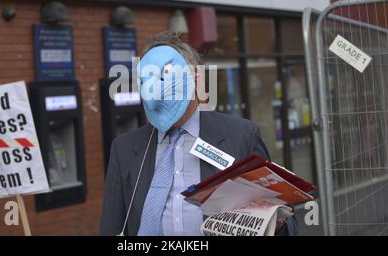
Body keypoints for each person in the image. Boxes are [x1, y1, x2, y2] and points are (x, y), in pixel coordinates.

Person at [99, 32, 298, 236]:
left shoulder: (241, 136)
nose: (152, 93)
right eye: (144, 80)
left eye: (164, 76)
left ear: (194, 81)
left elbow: (287, 221)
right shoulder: (123, 149)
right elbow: (110, 227)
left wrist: (276, 223)